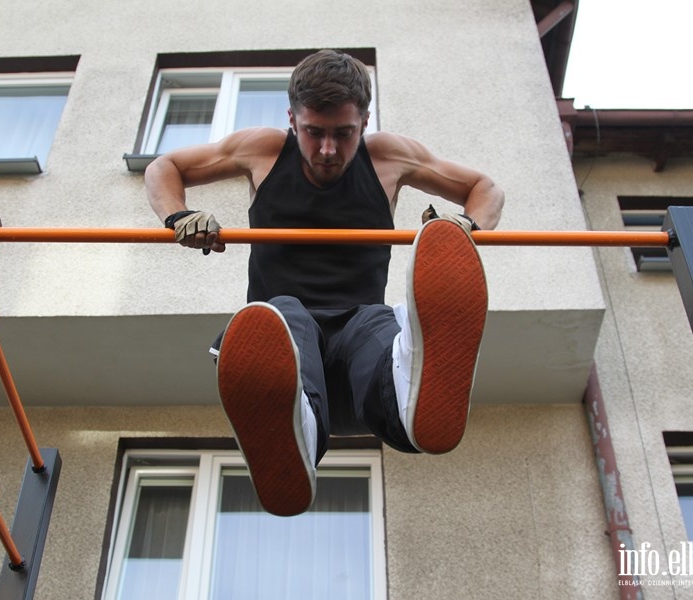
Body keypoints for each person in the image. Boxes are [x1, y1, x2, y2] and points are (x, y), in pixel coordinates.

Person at [146, 49, 504, 516]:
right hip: (287, 360)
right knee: (283, 313)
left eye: (344, 134)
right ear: (292, 120)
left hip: (361, 361)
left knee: (376, 323)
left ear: (365, 121)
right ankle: (295, 434)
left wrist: (466, 228)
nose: (328, 149)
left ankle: (408, 403)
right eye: (314, 132)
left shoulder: (389, 156)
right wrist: (179, 215)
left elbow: (486, 189)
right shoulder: (264, 149)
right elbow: (163, 168)